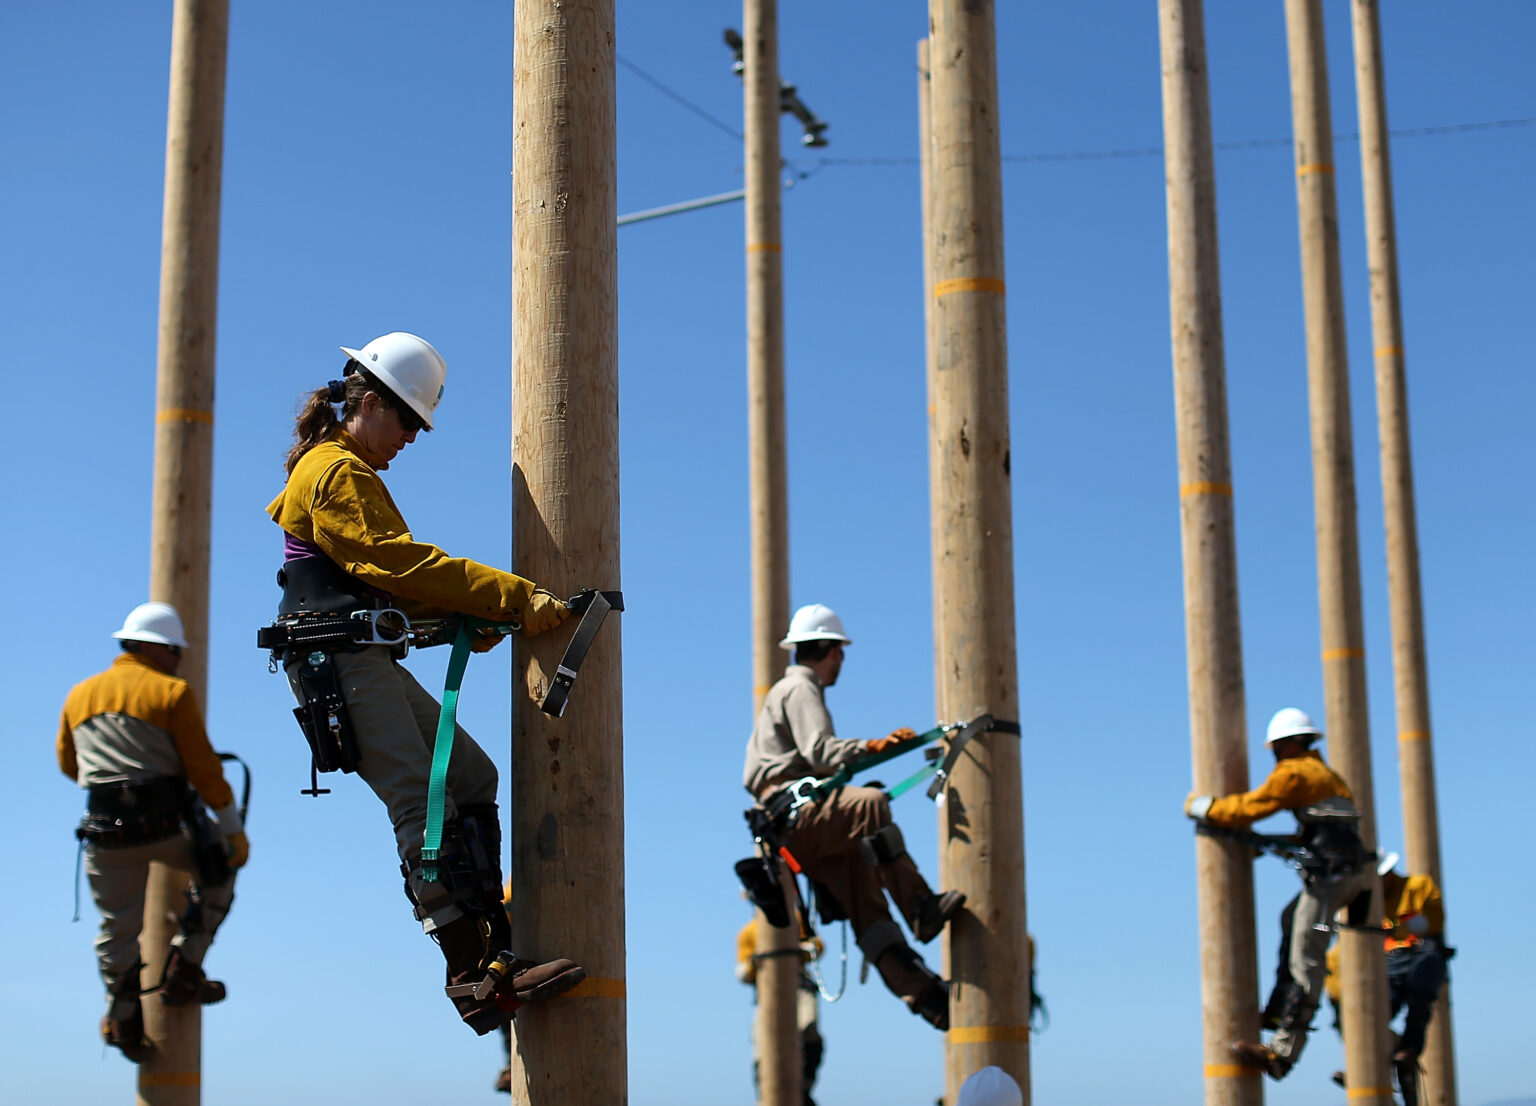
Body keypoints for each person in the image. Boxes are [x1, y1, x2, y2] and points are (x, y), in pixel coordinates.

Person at [265, 332, 583, 1034]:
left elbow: (385, 587)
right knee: (422, 799)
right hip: (337, 659)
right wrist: (504, 594)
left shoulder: (349, 472)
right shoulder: (334, 470)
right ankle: (470, 977)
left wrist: (468, 612)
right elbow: (395, 563)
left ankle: (498, 956)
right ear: (368, 402)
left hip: (359, 654)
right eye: (407, 419)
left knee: (471, 777)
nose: (411, 436)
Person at [743, 603, 963, 1030]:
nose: (840, 660)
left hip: (804, 831)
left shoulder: (792, 692)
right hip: (796, 819)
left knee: (869, 908)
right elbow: (820, 752)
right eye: (839, 652)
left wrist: (873, 749)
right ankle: (920, 907)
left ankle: (928, 997)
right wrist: (873, 746)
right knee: (869, 805)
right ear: (831, 652)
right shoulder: (799, 688)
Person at [59, 602, 249, 1061]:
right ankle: (185, 972)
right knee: (219, 875)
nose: (179, 659)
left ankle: (122, 1017)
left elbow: (69, 765)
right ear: (154, 648)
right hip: (164, 829)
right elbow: (204, 771)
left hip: (104, 837)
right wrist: (232, 832)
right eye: (175, 651)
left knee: (116, 930)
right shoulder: (171, 692)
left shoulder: (78, 695)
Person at [1185, 706, 1373, 1080]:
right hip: (1347, 882)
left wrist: (1207, 808)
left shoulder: (1294, 772)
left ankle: (1283, 1054)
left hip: (1330, 883)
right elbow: (1320, 830)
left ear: (1284, 744)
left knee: (1308, 955)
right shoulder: (1329, 776)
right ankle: (1276, 1011)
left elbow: (1252, 807)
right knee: (1296, 925)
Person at [1321, 852, 1449, 1105]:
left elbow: (1435, 918)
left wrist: (1406, 928)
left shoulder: (1418, 886)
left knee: (1419, 997)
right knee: (1370, 1014)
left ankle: (1408, 1050)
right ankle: (1366, 1066)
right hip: (1388, 964)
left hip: (1422, 953)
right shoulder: (1367, 902)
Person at [736, 917, 824, 1106]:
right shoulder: (749, 932)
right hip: (767, 994)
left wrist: (798, 949)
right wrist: (754, 962)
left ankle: (804, 1087)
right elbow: (741, 972)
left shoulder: (796, 920)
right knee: (762, 1047)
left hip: (800, 987)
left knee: (808, 1030)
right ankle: (765, 1095)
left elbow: (818, 946)